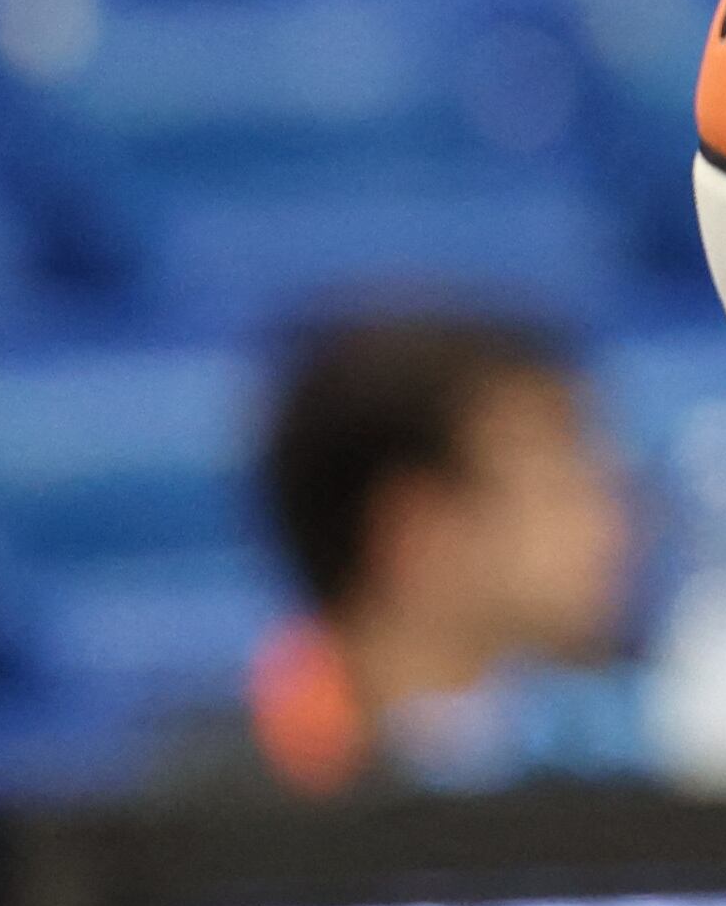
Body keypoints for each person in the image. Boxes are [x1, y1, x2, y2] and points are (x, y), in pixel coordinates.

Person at [235, 306, 636, 795]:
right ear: (419, 531)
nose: (613, 527)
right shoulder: (199, 818)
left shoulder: (612, 772)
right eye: (560, 488)